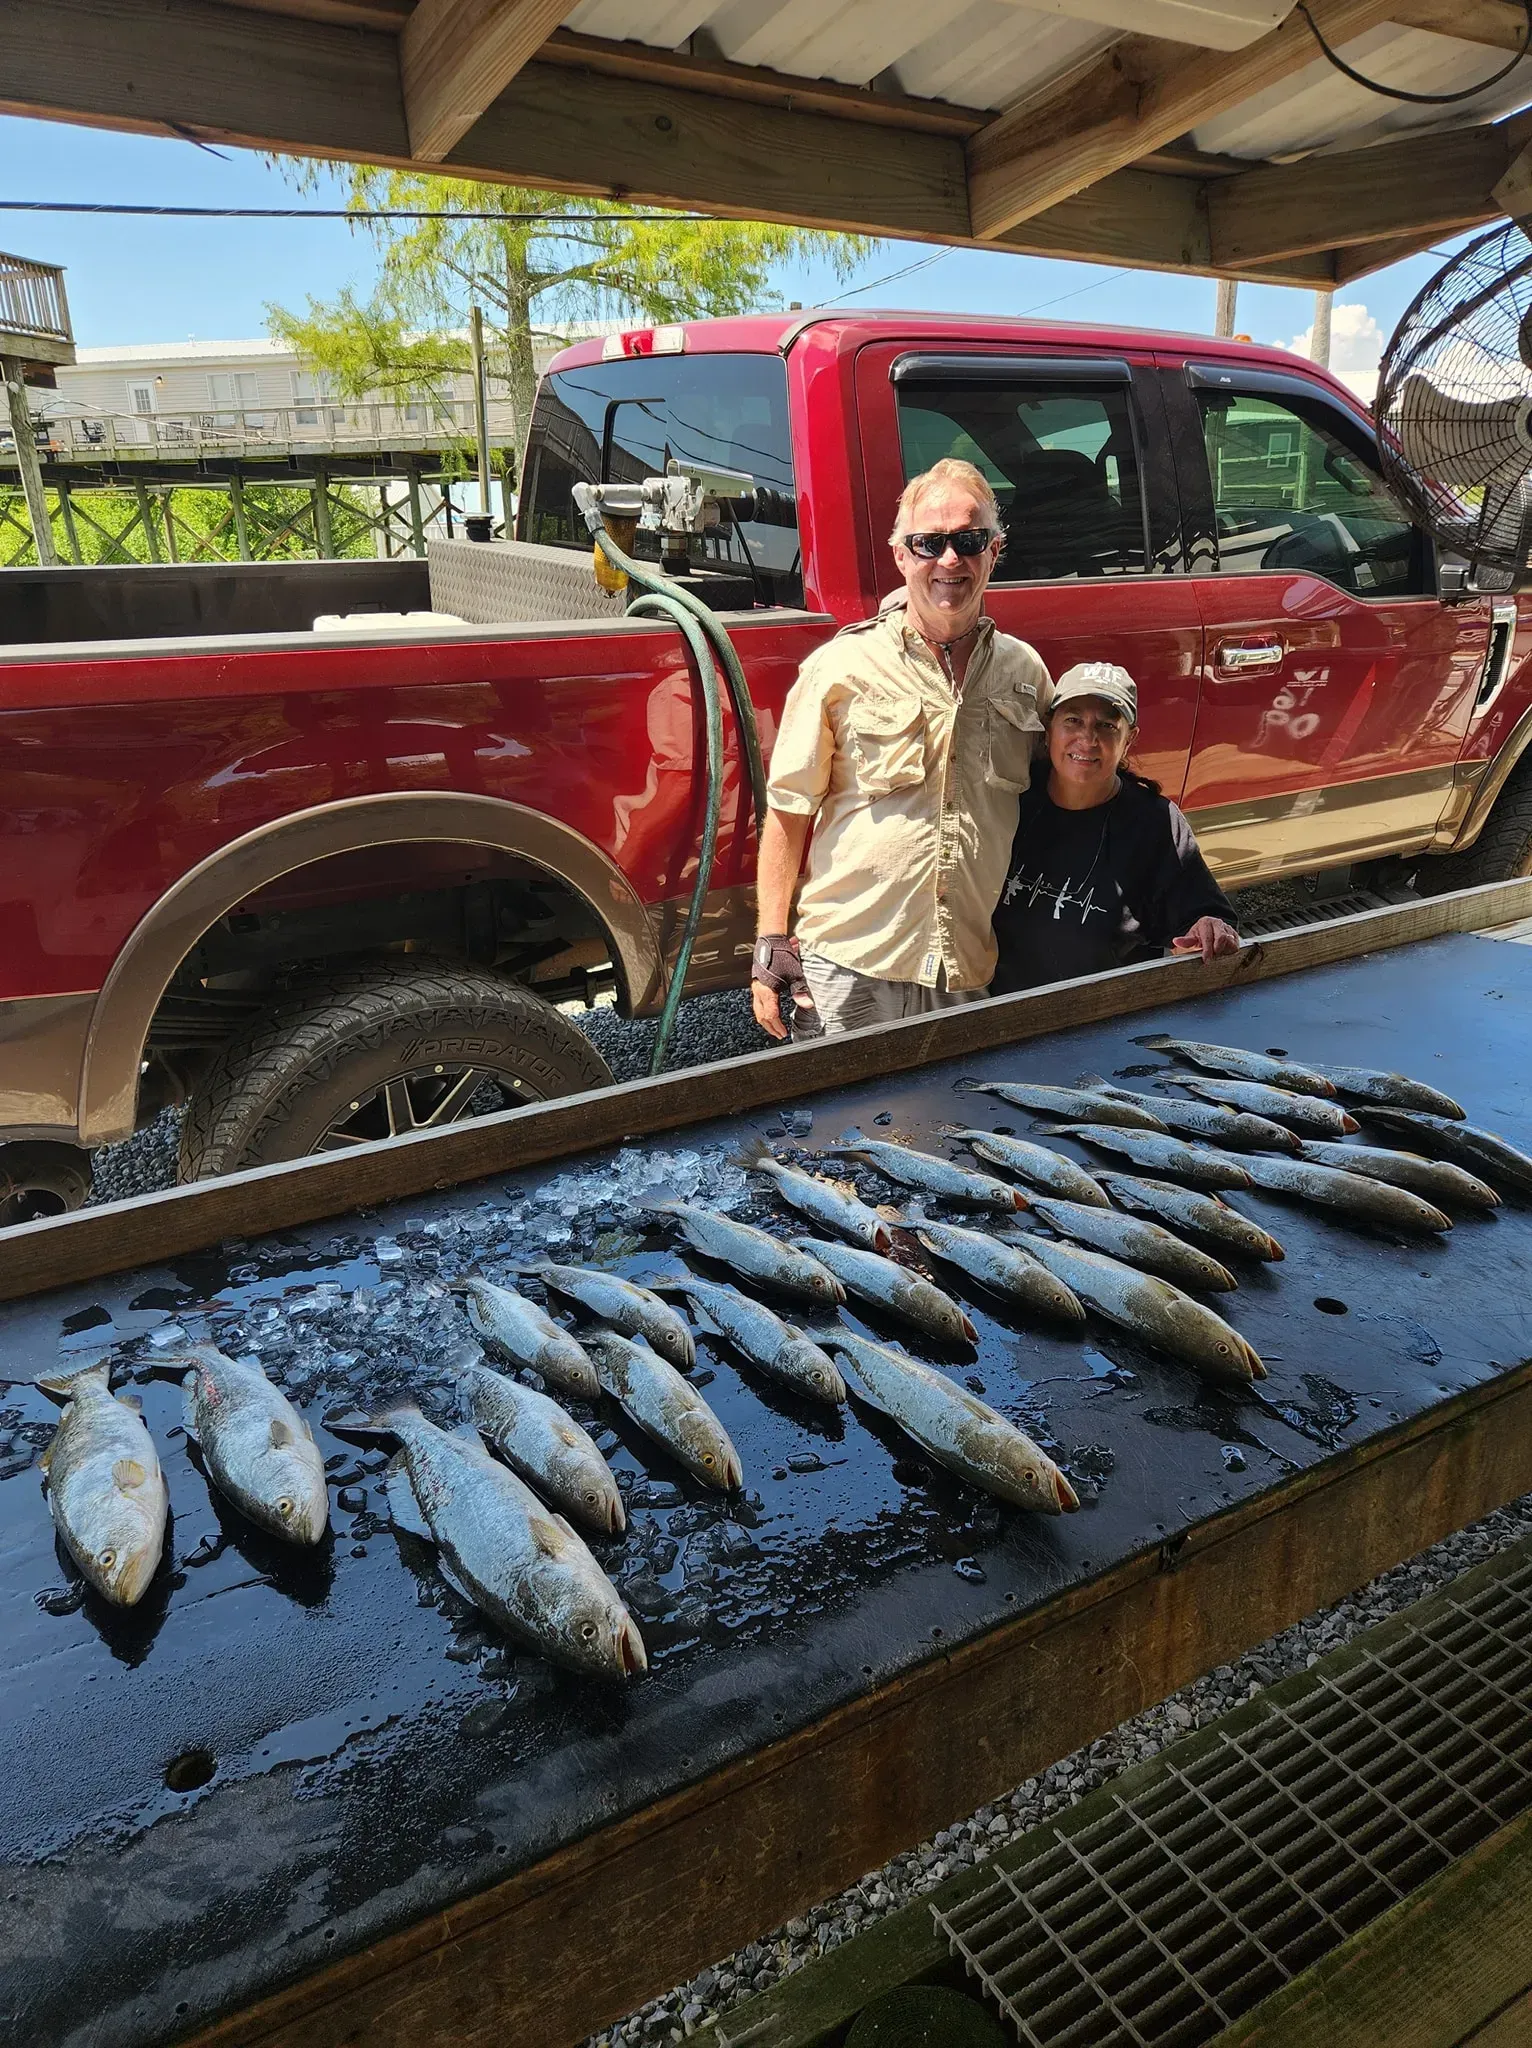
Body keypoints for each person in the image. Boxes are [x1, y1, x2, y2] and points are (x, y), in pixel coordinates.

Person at [752, 458, 1052, 1039]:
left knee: (958, 1118)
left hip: (964, 966)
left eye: (968, 540)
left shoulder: (1026, 674)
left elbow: (1064, 800)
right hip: (847, 960)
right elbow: (789, 809)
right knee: (841, 1125)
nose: (949, 559)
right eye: (928, 542)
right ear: (900, 556)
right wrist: (770, 938)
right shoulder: (840, 667)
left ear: (995, 549)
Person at [991, 661, 1238, 994]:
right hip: (990, 1013)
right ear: (1049, 727)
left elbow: (1202, 920)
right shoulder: (1013, 793)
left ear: (1129, 739)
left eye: (1107, 725)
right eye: (1073, 720)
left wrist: (1207, 932)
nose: (1087, 738)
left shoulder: (1153, 823)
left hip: (1101, 1022)